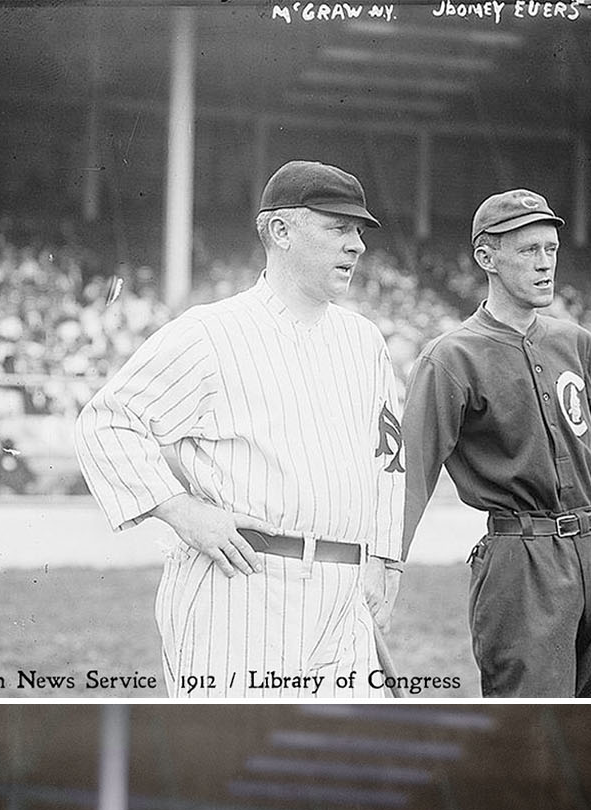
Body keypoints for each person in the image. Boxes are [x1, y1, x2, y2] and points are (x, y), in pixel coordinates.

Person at [75, 161, 405, 700]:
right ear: (280, 231)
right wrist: (182, 512)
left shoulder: (364, 340)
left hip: (344, 595)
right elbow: (107, 421)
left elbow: (389, 456)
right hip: (243, 585)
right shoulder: (210, 331)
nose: (357, 246)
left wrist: (386, 562)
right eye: (338, 228)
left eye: (359, 231)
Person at [400, 189, 591, 698]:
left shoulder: (575, 340)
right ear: (486, 257)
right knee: (530, 729)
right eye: (530, 250)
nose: (545, 263)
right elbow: (411, 471)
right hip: (523, 555)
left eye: (551, 249)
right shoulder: (450, 357)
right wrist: (386, 565)